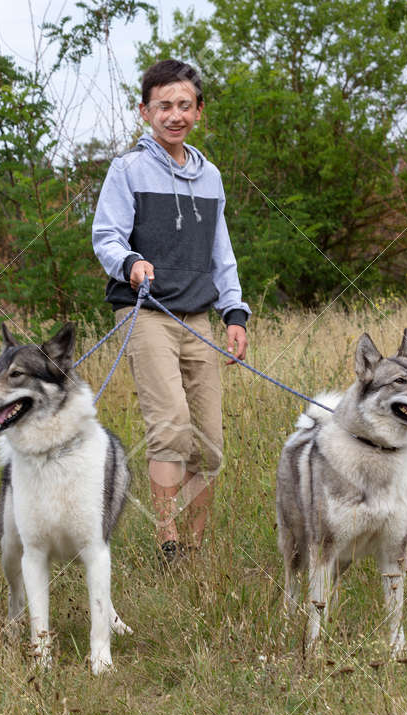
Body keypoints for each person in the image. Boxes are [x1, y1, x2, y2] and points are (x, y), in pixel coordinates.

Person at [91, 57, 250, 564]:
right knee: (172, 426)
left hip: (199, 319)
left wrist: (235, 314)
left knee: (209, 442)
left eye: (184, 105)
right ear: (145, 111)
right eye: (164, 106)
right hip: (147, 313)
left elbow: (221, 254)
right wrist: (131, 262)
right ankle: (169, 543)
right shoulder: (128, 170)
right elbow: (106, 238)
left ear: (198, 111)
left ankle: (195, 550)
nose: (174, 115)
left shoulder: (212, 178)